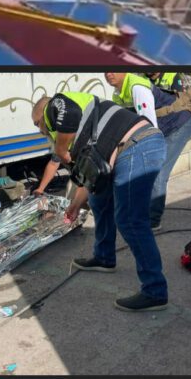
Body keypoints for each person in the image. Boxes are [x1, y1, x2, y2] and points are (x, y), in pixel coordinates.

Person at [32, 92, 168, 311]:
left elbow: (69, 114)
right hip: (129, 149)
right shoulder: (81, 133)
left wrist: (59, 148)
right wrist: (75, 205)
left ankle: (155, 292)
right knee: (99, 199)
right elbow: (90, 178)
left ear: (42, 114)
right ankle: (104, 257)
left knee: (130, 220)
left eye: (37, 123)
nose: (40, 130)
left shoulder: (56, 105)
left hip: (137, 146)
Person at [107, 73, 191, 230]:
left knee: (157, 172)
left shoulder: (137, 88)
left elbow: (150, 127)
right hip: (162, 127)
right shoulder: (118, 94)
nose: (109, 74)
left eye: (113, 69)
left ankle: (153, 221)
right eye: (105, 70)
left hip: (178, 125)